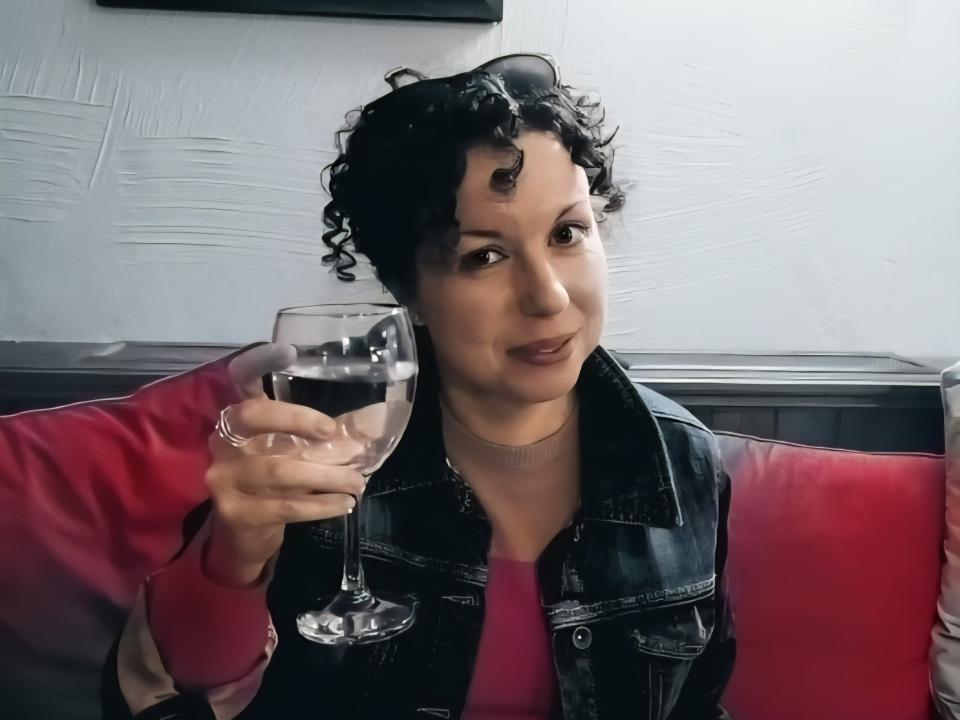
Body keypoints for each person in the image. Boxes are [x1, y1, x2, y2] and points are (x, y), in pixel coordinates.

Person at [102, 53, 735, 720]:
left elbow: (699, 706)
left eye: (567, 233)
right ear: (411, 292)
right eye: (483, 255)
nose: (547, 297)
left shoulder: (682, 463)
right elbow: (173, 703)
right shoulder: (318, 440)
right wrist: (233, 558)